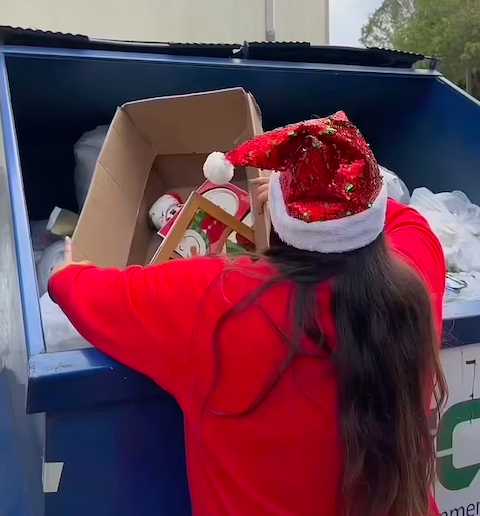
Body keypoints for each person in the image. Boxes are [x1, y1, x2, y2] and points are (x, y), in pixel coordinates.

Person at [49, 111, 447, 516]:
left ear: (279, 218)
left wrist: (67, 268)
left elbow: (76, 288)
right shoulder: (414, 279)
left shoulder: (214, 300)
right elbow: (407, 221)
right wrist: (336, 198)